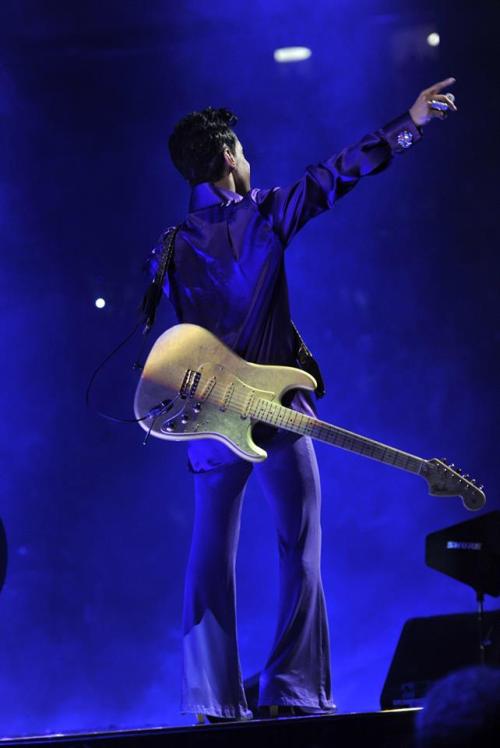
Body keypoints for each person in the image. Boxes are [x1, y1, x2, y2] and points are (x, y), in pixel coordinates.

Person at [150, 79, 457, 723]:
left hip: (207, 417)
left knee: (210, 550)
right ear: (230, 155)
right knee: (299, 543)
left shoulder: (172, 244)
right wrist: (411, 122)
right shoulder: (263, 214)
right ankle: (292, 688)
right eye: (245, 150)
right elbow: (335, 174)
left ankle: (213, 699)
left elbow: (178, 340)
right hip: (274, 411)